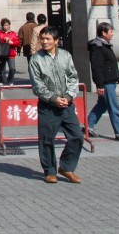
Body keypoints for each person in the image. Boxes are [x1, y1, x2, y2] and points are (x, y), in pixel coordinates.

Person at [29, 26, 83, 184]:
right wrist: (53, 98)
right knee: (46, 139)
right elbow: (37, 84)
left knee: (77, 137)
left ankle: (66, 167)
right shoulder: (36, 59)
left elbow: (73, 77)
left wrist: (68, 96)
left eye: (48, 39)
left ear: (56, 41)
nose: (44, 42)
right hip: (48, 105)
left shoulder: (65, 56)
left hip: (67, 104)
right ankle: (49, 171)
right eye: (42, 39)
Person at [86, 22, 119, 143]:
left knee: (101, 106)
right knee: (114, 108)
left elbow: (111, 65)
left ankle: (88, 127)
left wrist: (118, 78)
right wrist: (100, 85)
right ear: (104, 33)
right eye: (111, 31)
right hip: (106, 83)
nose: (112, 34)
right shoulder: (97, 47)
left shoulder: (106, 45)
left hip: (110, 81)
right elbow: (97, 67)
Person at [0, 18, 20, 86]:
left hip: (11, 53)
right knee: (2, 68)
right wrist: (3, 40)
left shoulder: (13, 33)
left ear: (9, 25)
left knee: (12, 68)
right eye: (4, 25)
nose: (5, 27)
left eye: (7, 25)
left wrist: (11, 42)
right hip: (2, 53)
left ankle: (10, 80)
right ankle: (3, 81)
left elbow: (17, 42)